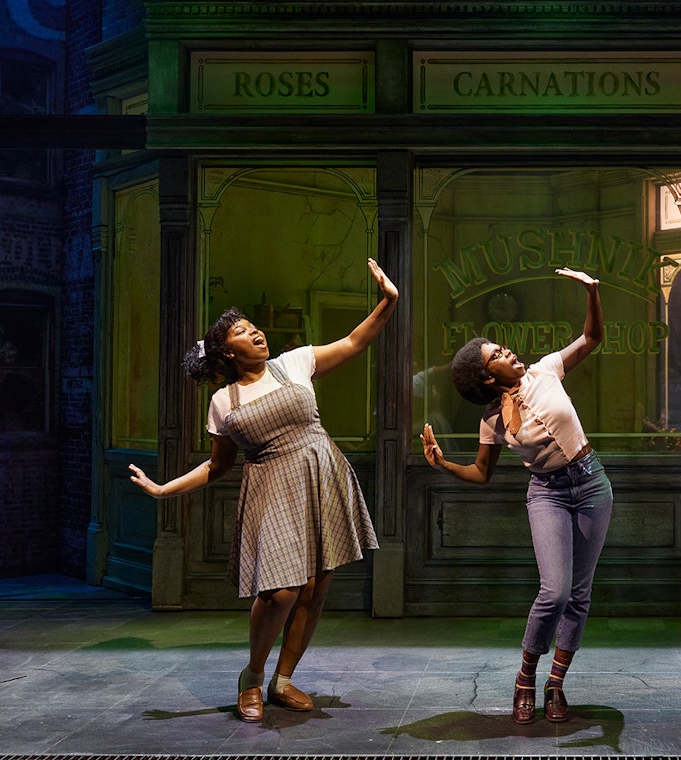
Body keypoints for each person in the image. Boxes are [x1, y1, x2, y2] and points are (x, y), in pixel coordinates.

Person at [128, 258, 398, 723]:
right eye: (243, 332)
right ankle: (252, 677)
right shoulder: (222, 402)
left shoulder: (292, 364)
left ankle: (285, 679)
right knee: (281, 591)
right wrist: (163, 489)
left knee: (315, 588)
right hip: (271, 487)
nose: (256, 334)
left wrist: (388, 301)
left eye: (255, 327)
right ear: (227, 352)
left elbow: (355, 341)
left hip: (320, 474)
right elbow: (217, 466)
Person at [419, 268, 611, 726]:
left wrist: (592, 293)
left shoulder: (546, 369)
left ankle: (556, 683)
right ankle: (526, 677)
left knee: (579, 595)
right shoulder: (491, 421)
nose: (508, 352)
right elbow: (482, 473)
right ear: (488, 378)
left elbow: (591, 339)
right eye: (497, 355)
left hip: (591, 484)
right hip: (547, 492)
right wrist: (444, 464)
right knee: (555, 590)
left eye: (503, 347)